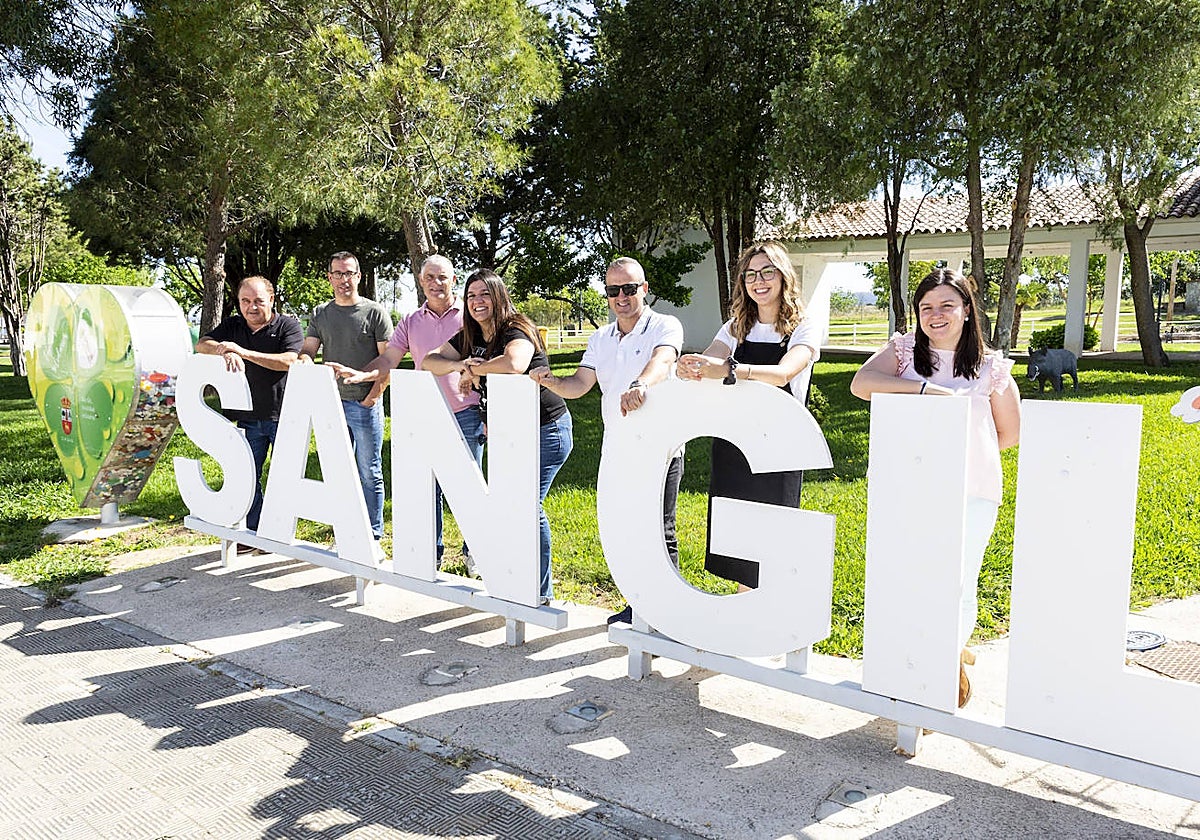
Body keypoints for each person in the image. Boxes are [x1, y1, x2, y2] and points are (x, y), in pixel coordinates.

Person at [850, 266, 1020, 707]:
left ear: (967, 309)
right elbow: (862, 384)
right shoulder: (904, 353)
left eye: (946, 305)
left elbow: (1009, 434)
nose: (935, 315)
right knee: (908, 576)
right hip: (908, 488)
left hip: (971, 490)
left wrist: (963, 450)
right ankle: (915, 663)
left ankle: (942, 675)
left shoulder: (991, 368)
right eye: (926, 307)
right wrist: (925, 393)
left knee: (958, 580)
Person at [529, 257, 683, 624]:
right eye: (613, 291)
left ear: (644, 289)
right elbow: (580, 385)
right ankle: (638, 607)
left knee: (660, 531)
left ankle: (671, 614)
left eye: (629, 289)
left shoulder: (665, 325)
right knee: (628, 530)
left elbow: (662, 362)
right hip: (618, 450)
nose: (621, 297)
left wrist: (640, 384)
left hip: (661, 448)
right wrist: (551, 382)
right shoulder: (601, 338)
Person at [676, 240, 821, 591]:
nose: (759, 281)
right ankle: (745, 611)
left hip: (780, 444)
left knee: (773, 533)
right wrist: (692, 366)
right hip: (734, 441)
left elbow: (784, 373)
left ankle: (768, 618)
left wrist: (727, 369)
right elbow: (711, 358)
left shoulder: (804, 327)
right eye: (751, 274)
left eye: (767, 272)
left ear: (784, 276)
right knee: (737, 534)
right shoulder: (735, 326)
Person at [424, 270, 572, 603]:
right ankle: (516, 580)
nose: (477, 302)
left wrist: (475, 369)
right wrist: (462, 364)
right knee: (510, 507)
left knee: (526, 507)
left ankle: (539, 591)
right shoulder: (471, 334)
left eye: (484, 295)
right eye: (471, 296)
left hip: (547, 431)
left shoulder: (516, 327)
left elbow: (515, 363)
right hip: (511, 435)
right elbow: (430, 360)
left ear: (498, 296)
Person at [334, 255, 485, 569]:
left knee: (469, 486)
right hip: (426, 414)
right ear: (420, 281)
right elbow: (388, 359)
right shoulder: (411, 321)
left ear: (454, 280)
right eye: (429, 277)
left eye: (442, 277)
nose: (435, 283)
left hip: (466, 413)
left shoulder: (471, 317)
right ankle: (433, 553)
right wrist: (364, 374)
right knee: (429, 489)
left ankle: (476, 553)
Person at [196, 276, 303, 548]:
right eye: (245, 301)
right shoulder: (233, 325)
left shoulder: (287, 325)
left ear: (272, 300)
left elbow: (289, 361)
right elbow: (202, 344)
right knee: (246, 478)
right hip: (247, 418)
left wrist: (242, 352)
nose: (251, 307)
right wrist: (223, 350)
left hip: (283, 416)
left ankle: (280, 532)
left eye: (258, 301)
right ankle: (255, 533)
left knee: (287, 479)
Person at [296, 251, 394, 541]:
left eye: (349, 273)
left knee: (369, 471)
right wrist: (303, 360)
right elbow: (309, 349)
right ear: (329, 278)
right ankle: (346, 527)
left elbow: (387, 360)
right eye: (337, 273)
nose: (343, 279)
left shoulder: (375, 312)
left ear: (359, 276)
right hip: (332, 405)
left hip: (364, 404)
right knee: (339, 470)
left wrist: (374, 396)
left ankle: (373, 535)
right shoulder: (321, 313)